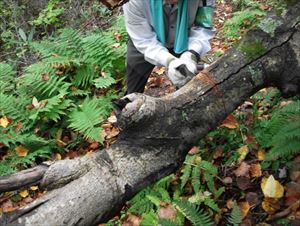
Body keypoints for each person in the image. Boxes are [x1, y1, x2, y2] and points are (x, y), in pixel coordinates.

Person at [123, 0, 215, 94]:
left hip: (183, 38)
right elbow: (144, 40)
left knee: (187, 83)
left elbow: (203, 27)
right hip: (144, 40)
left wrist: (192, 54)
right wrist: (170, 60)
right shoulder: (133, 2)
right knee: (133, 90)